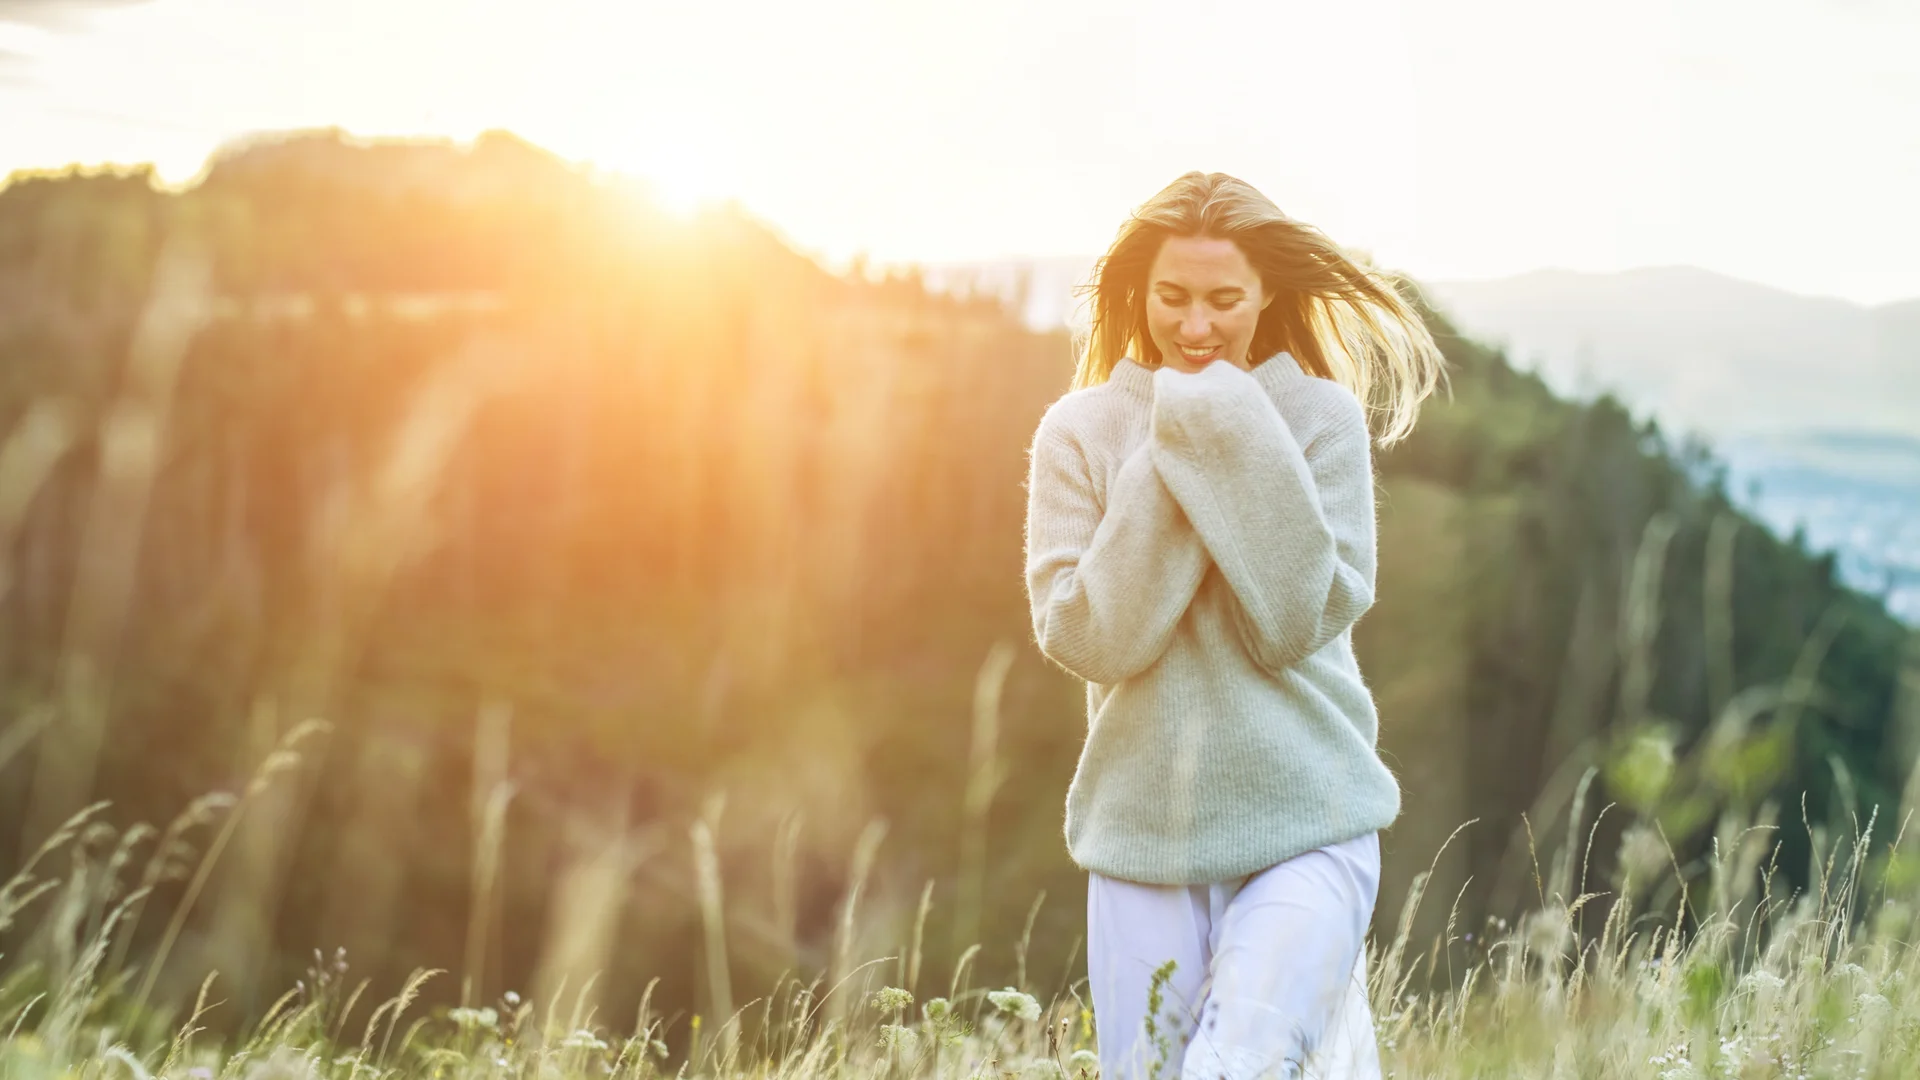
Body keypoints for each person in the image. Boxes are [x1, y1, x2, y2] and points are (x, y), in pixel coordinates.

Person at [1021, 171, 1445, 1080]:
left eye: (1224, 299)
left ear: (1267, 295)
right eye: (1173, 297)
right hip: (1142, 841)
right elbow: (1090, 638)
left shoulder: (1320, 419)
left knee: (1237, 1066)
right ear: (1140, 291)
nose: (1196, 325)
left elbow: (1293, 621)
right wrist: (1177, 436)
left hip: (1310, 820)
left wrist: (1227, 426)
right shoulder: (1079, 433)